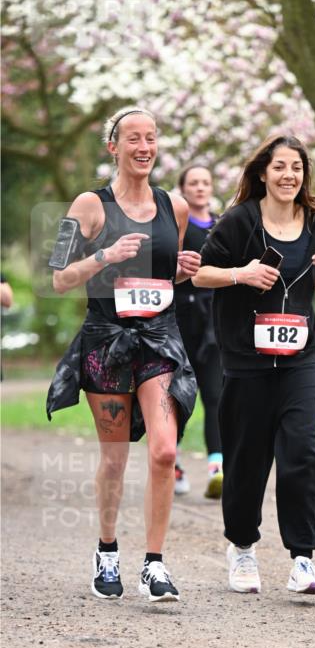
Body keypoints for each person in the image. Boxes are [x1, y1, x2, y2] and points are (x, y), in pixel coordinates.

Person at [46, 106, 200, 602]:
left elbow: (164, 274)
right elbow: (58, 277)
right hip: (107, 341)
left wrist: (184, 269)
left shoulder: (173, 206)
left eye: (151, 138)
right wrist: (104, 256)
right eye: (133, 138)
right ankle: (107, 550)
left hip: (159, 339)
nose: (144, 147)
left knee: (164, 450)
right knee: (115, 458)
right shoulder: (88, 205)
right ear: (113, 147)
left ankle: (154, 565)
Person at [194, 133, 315, 595]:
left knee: (302, 450)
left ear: (305, 174)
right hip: (246, 359)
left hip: (300, 357)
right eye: (279, 167)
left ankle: (303, 559)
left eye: (296, 168)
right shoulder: (239, 221)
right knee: (247, 459)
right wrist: (241, 273)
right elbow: (200, 272)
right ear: (263, 172)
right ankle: (241, 548)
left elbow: (312, 286)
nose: (288, 176)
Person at [172, 165, 223, 498]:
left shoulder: (223, 224)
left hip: (216, 323)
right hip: (180, 319)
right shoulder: (177, 224)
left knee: (216, 396)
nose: (201, 188)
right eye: (194, 183)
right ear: (183, 189)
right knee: (178, 397)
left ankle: (217, 469)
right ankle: (172, 463)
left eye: (206, 182)